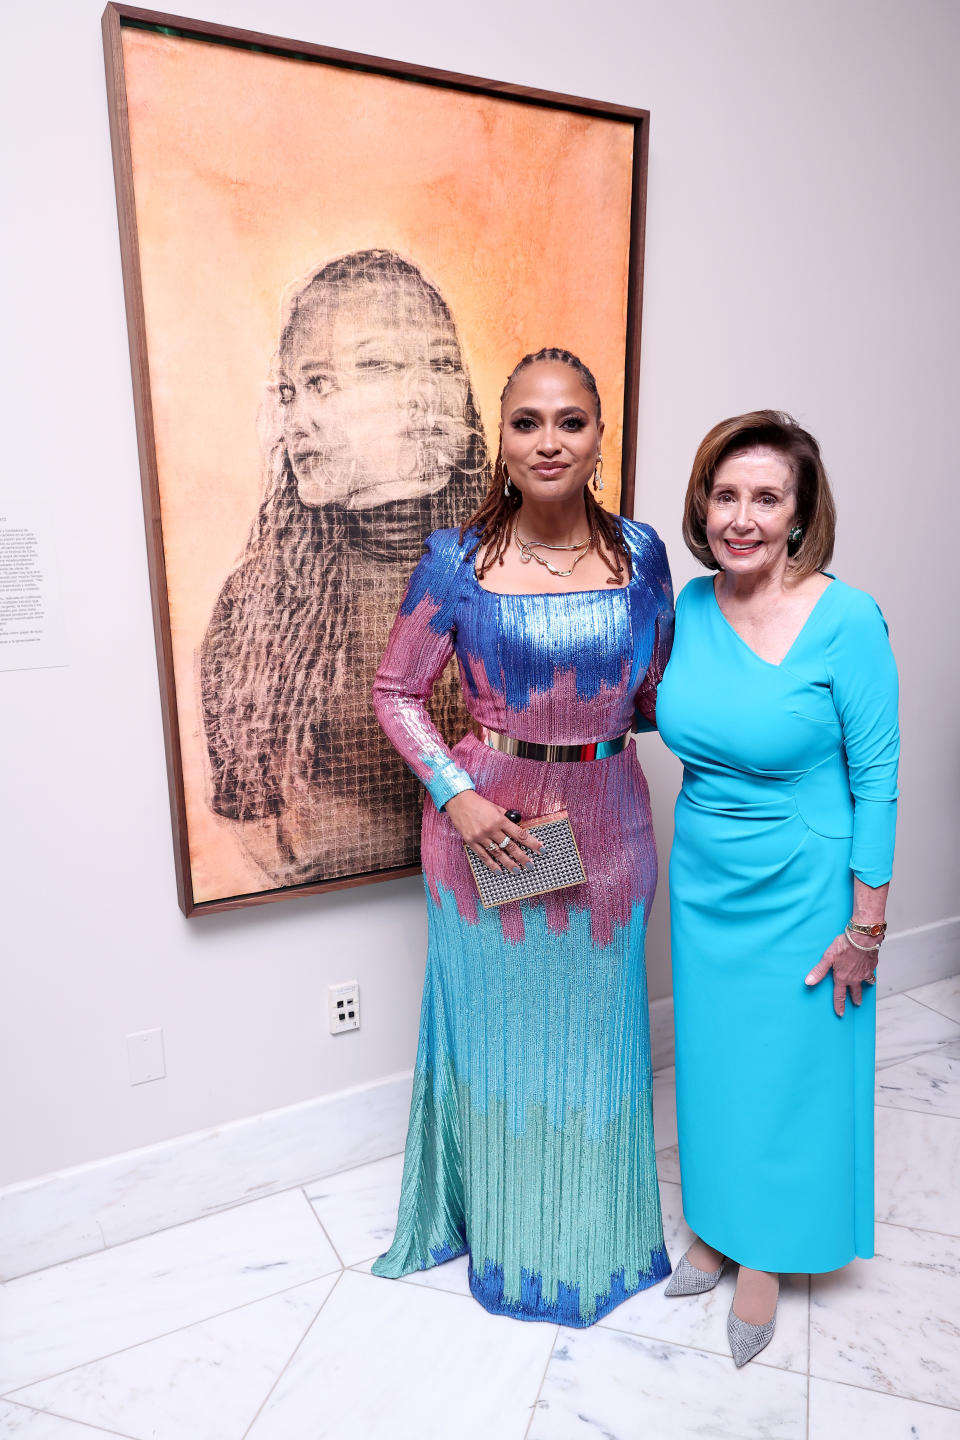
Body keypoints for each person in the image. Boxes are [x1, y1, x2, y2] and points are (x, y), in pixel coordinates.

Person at [370, 348, 675, 1325]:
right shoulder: (456, 563)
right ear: (501, 440)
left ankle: (595, 1235)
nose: (550, 441)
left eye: (571, 421)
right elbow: (396, 693)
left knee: (599, 1046)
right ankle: (512, 1243)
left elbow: (662, 691)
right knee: (505, 1047)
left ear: (598, 436)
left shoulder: (643, 554)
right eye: (529, 422)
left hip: (614, 829)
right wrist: (460, 797)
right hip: (489, 838)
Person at [655, 411, 899, 1365]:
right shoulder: (692, 605)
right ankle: (716, 1222)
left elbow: (877, 775)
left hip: (805, 875)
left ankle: (770, 1250)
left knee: (789, 1066)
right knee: (716, 1060)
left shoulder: (848, 619)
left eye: (766, 498)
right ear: (703, 506)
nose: (742, 517)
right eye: (726, 496)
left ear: (801, 516)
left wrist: (867, 924)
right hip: (705, 871)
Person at [200, 249, 489, 888]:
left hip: (508, 887)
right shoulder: (255, 604)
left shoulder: (509, 578)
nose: (297, 419)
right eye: (291, 389)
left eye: (325, 383)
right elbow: (250, 818)